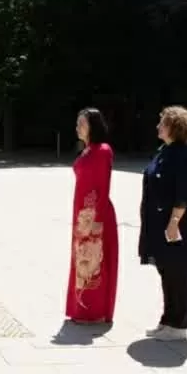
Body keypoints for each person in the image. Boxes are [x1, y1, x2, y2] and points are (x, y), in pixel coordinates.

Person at [139, 105, 187, 341]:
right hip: (160, 222)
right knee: (166, 271)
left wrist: (174, 222)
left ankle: (179, 325)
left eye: (163, 122)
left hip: (176, 225)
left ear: (175, 127)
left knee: (179, 273)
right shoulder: (165, 151)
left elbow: (184, 193)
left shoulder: (183, 155)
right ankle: (167, 321)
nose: (158, 126)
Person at [66, 108, 119, 324]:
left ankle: (94, 311)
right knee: (81, 261)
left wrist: (96, 220)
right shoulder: (86, 150)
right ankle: (81, 308)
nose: (77, 127)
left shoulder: (103, 150)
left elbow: (103, 185)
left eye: (82, 123)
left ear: (93, 126)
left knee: (94, 261)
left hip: (95, 216)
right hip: (81, 215)